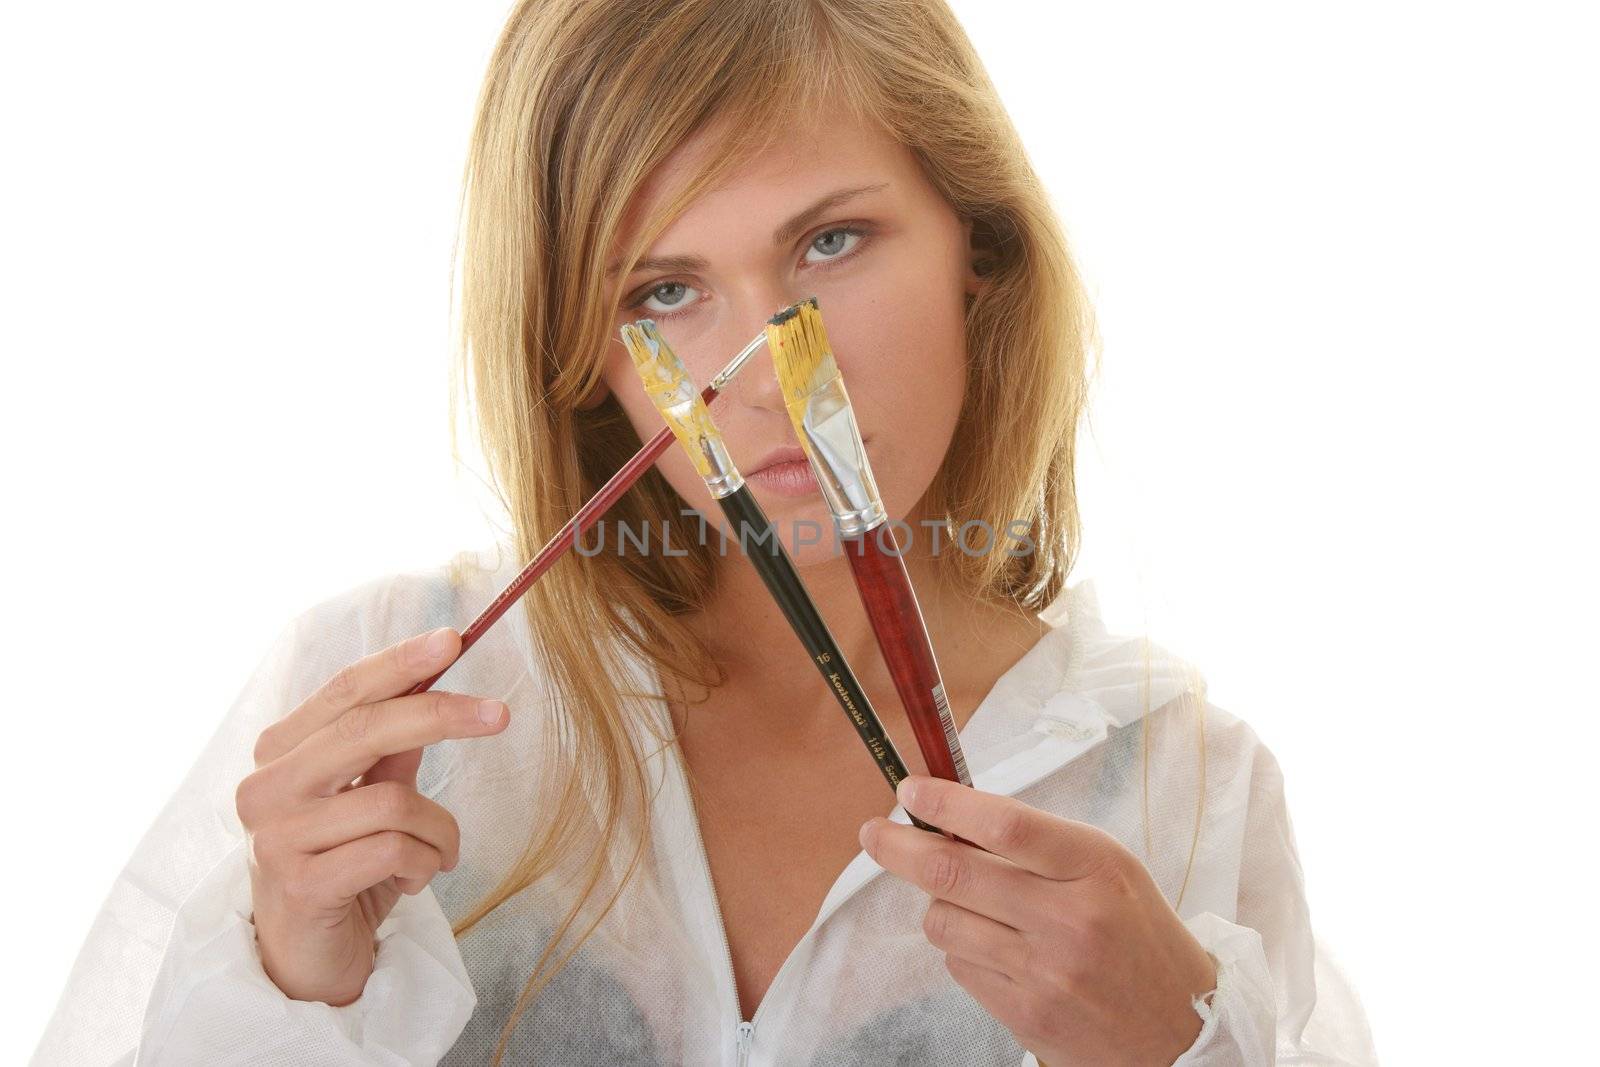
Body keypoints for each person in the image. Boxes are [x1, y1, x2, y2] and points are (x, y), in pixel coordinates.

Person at [33, 1, 1377, 1063]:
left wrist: (1178, 1050)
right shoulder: (393, 701)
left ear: (981, 245)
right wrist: (292, 979)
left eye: (834, 243)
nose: (762, 362)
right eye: (666, 290)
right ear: (580, 353)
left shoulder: (1178, 781)